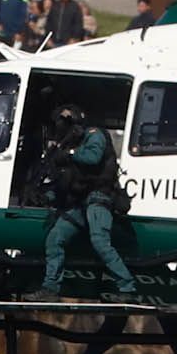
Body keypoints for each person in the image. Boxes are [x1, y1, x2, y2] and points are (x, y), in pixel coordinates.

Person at [38, 98, 135, 295]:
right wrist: (47, 194)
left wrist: (70, 154)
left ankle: (127, 288)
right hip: (79, 203)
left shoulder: (94, 135)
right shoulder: (67, 147)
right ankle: (50, 288)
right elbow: (66, 181)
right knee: (55, 238)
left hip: (99, 198)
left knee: (100, 241)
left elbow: (93, 158)